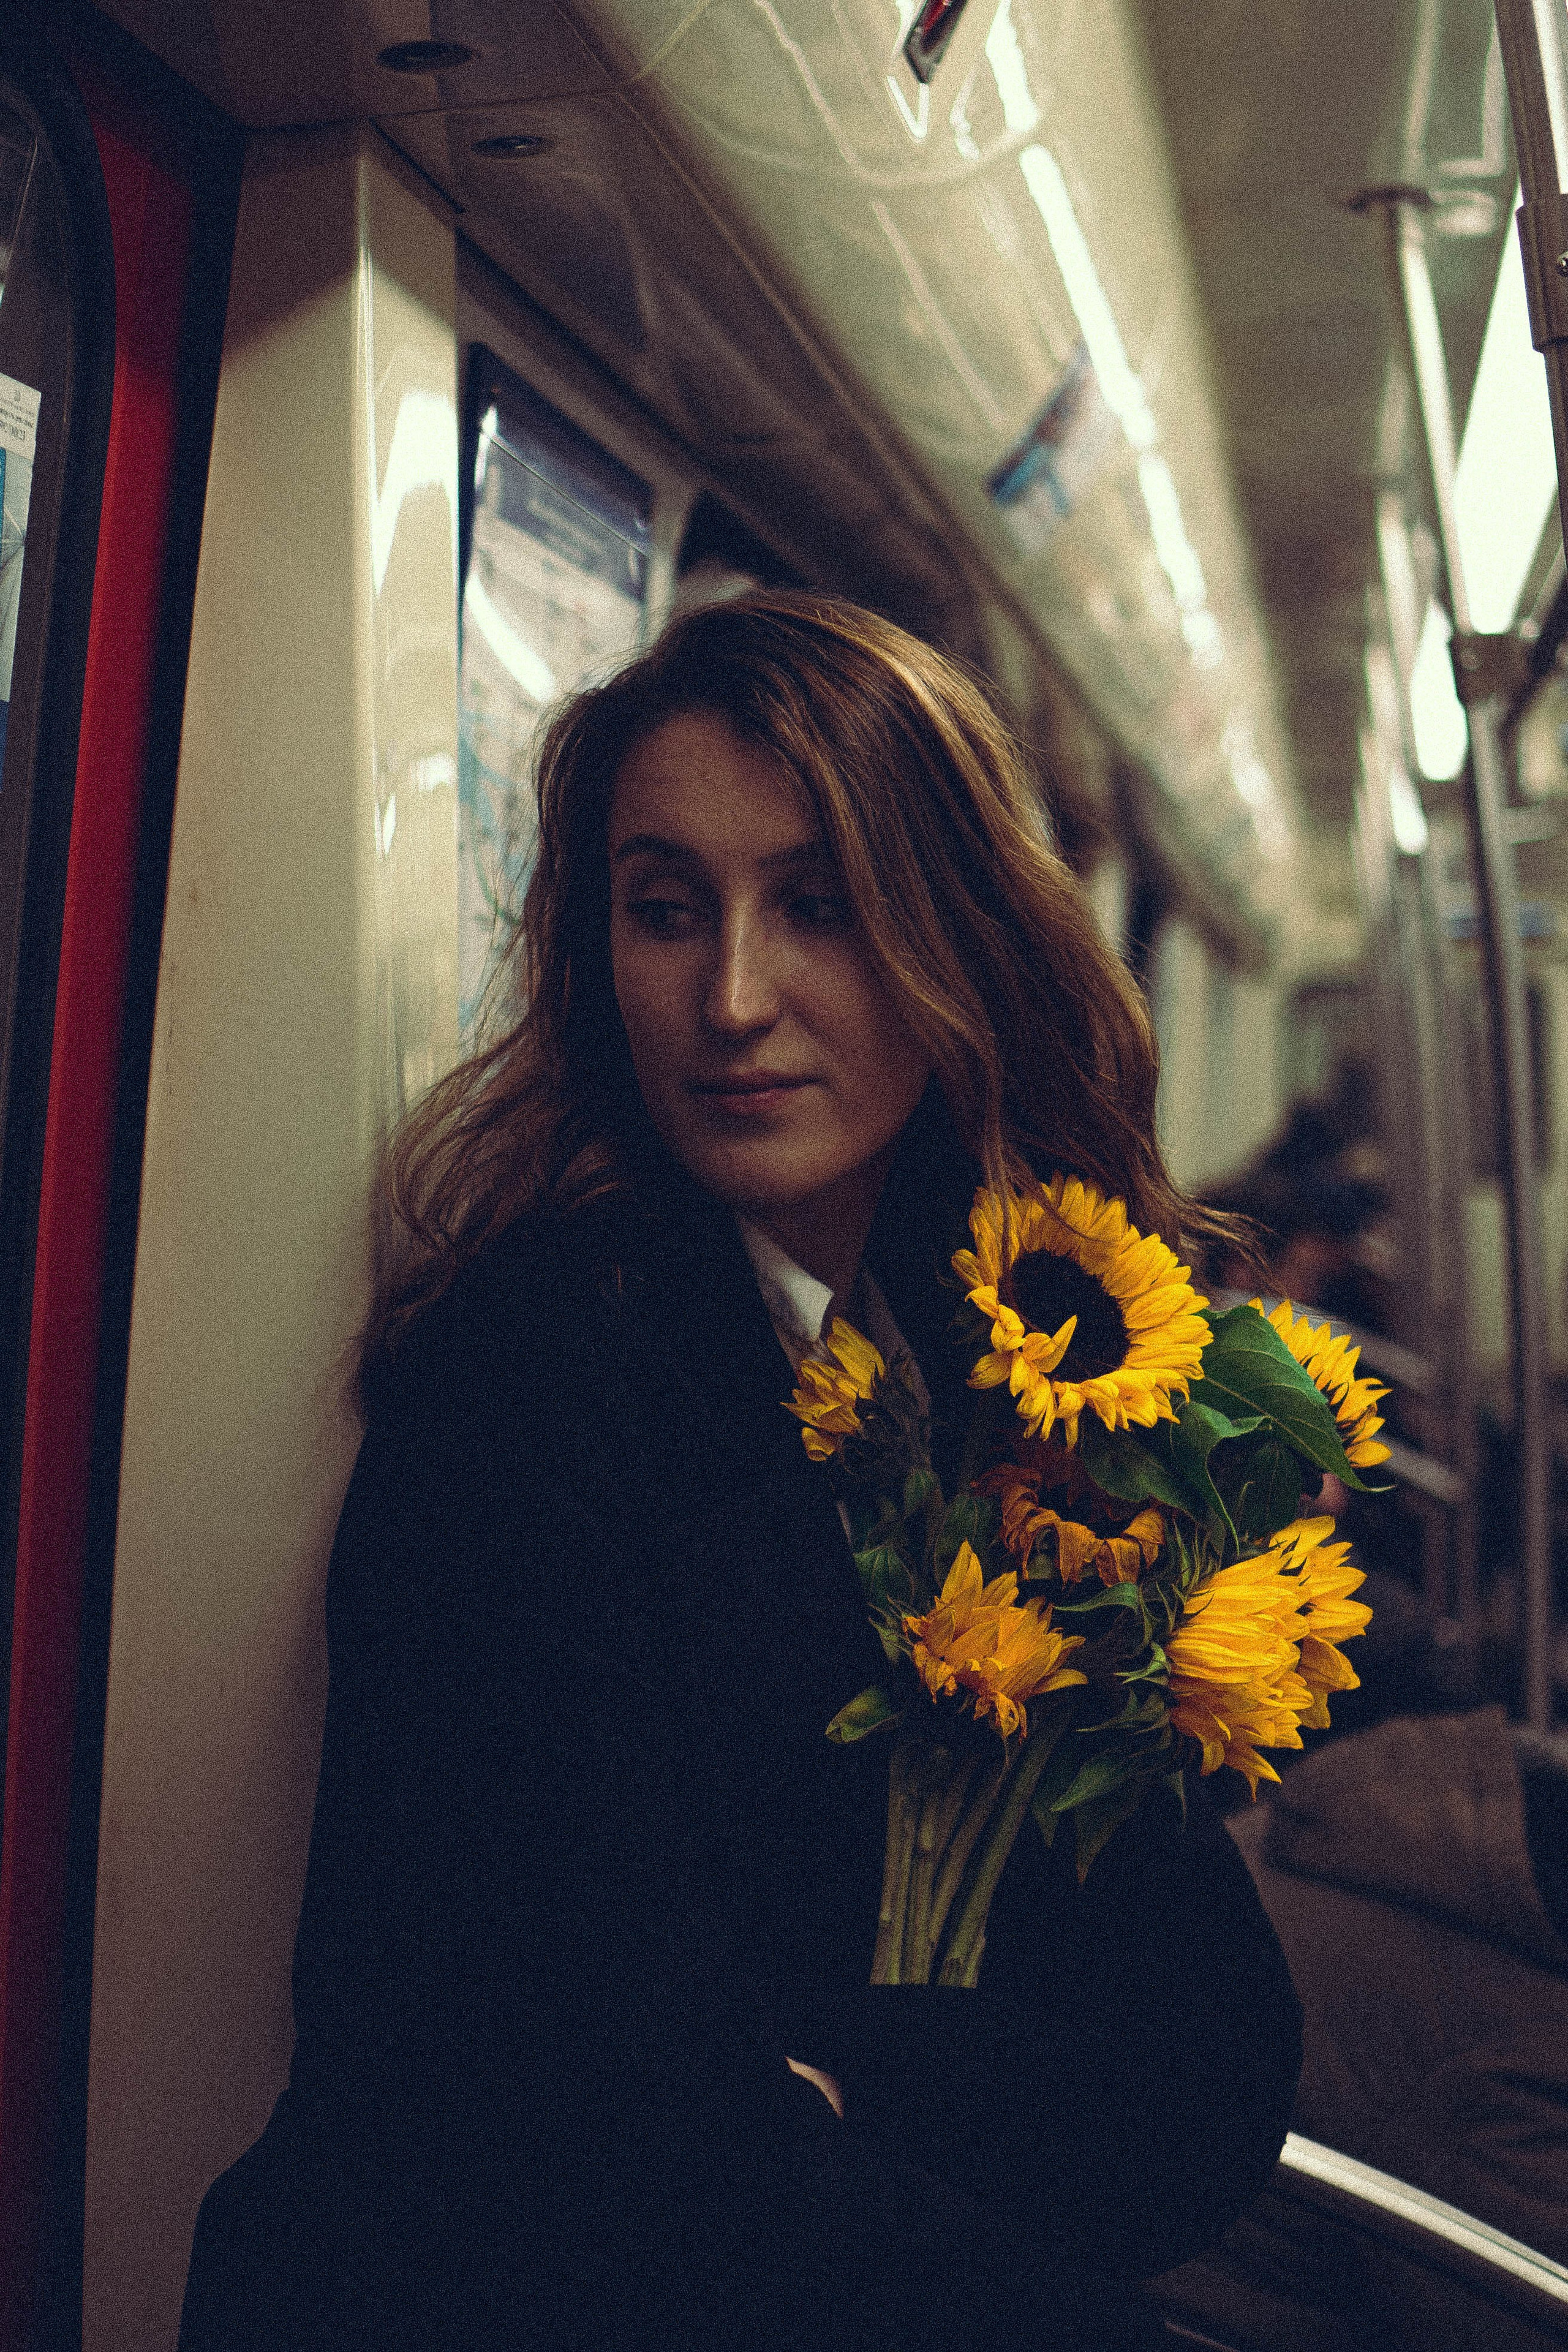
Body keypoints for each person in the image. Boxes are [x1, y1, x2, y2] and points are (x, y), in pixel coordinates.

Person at [178, 594, 1303, 2351]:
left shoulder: (1004, 1357)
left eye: (821, 905)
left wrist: (853, 2086)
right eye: (664, 910)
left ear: (953, 941)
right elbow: (629, 2134)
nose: (731, 997)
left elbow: (1199, 2050)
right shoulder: (532, 1392)